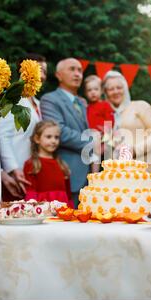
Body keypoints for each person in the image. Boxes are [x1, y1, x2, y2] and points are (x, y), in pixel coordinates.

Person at [40, 58, 90, 207]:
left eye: (80, 70)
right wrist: (92, 142)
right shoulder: (50, 99)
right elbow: (59, 131)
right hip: (67, 172)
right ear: (58, 75)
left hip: (89, 176)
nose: (77, 74)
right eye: (72, 69)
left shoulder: (82, 102)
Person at [0, 53, 48, 200]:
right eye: (39, 70)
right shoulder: (12, 99)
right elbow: (3, 135)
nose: (42, 75)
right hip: (16, 170)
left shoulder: (38, 103)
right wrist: (12, 168)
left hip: (32, 169)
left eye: (45, 71)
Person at [103, 70, 151, 173]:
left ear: (125, 88)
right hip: (119, 173)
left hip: (147, 168)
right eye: (111, 89)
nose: (115, 91)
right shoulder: (106, 116)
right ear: (106, 93)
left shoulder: (140, 106)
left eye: (119, 87)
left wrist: (135, 150)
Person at [23, 120, 73, 206]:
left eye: (56, 137)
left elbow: (68, 195)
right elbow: (30, 193)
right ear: (37, 139)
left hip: (62, 210)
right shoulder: (32, 164)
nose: (53, 141)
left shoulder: (62, 165)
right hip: (42, 211)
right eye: (49, 137)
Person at [84, 75, 114, 173]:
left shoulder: (104, 105)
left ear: (101, 91)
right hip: (89, 137)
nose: (93, 92)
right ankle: (93, 172)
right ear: (86, 93)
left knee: (102, 155)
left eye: (96, 89)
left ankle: (95, 173)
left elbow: (110, 121)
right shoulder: (86, 107)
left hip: (102, 135)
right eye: (89, 90)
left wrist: (106, 135)